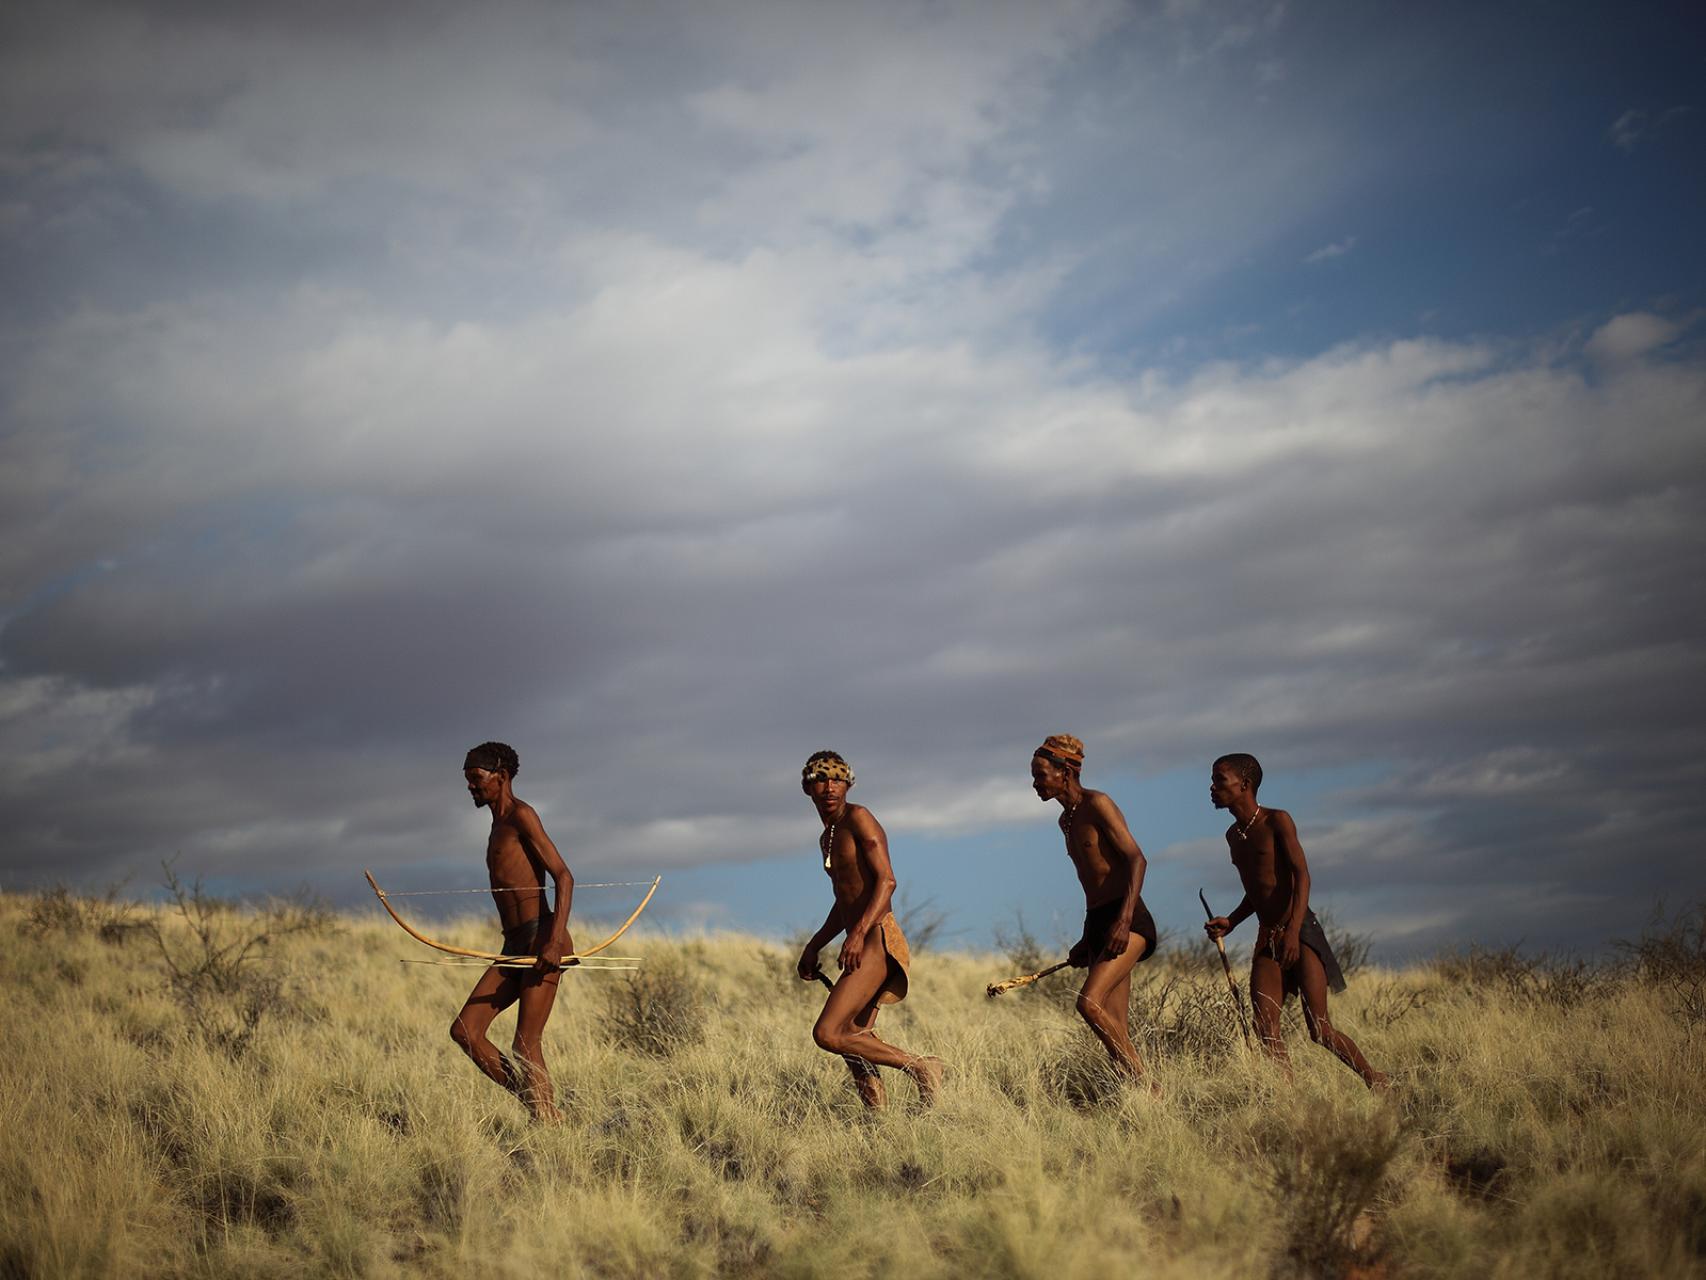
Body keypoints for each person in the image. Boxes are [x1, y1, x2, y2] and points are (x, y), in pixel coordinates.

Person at [1202, 753, 1388, 1089]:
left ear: (1243, 784)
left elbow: (1302, 877)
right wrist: (1232, 921)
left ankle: (1376, 1081)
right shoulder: (1233, 836)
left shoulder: (1277, 821)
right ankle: (1289, 1103)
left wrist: (1291, 933)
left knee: (1319, 1030)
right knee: (1265, 1028)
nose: (1212, 787)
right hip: (1267, 937)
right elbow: (1258, 890)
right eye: (1213, 780)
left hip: (1300, 931)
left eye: (1219, 780)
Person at [794, 750, 944, 1108]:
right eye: (821, 780)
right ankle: (877, 1125)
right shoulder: (826, 836)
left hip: (877, 937)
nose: (830, 787)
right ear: (807, 788)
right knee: (854, 1039)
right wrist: (814, 945)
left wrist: (858, 934)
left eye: (837, 779)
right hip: (860, 935)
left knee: (828, 1033)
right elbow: (843, 901)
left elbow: (887, 882)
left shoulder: (859, 818)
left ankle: (922, 1067)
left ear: (848, 783)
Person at [447, 741, 576, 1123]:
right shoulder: (496, 825)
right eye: (468, 780)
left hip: (542, 940)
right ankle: (542, 1109)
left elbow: (564, 877)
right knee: (465, 1031)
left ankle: (546, 1120)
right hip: (514, 944)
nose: (471, 786)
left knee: (525, 1043)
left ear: (500, 777)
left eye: (476, 779)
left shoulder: (522, 816)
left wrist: (554, 941)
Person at [1030, 734, 1159, 1083]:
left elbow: (1137, 859)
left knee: (1089, 1004)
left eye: (1041, 774)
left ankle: (1147, 1084)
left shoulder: (1098, 803)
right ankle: (1135, 1101)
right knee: (1114, 1023)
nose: (1035, 783)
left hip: (1128, 920)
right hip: (1100, 921)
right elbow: (1091, 883)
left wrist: (1123, 921)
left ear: (1066, 772)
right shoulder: (1065, 821)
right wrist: (1088, 938)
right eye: (1034, 775)